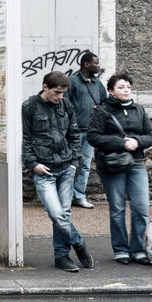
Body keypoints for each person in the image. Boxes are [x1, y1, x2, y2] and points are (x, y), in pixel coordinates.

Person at [22, 71, 93, 272]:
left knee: (64, 214)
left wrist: (74, 162)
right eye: (56, 92)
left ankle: (62, 256)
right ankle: (78, 243)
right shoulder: (29, 106)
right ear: (45, 87)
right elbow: (25, 138)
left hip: (66, 167)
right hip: (44, 170)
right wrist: (33, 164)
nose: (60, 96)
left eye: (63, 93)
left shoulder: (66, 105)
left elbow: (74, 135)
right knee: (57, 214)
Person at [87, 72, 152, 265]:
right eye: (121, 87)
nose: (126, 90)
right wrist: (121, 143)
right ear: (111, 91)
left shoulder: (139, 109)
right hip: (113, 163)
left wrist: (137, 141)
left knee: (141, 208)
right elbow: (93, 136)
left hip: (136, 162)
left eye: (128, 87)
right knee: (117, 208)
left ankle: (138, 249)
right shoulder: (102, 111)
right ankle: (120, 250)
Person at [65, 51, 107, 210]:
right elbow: (64, 104)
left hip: (90, 132)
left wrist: (99, 109)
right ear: (86, 64)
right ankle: (66, 196)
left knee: (85, 165)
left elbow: (105, 103)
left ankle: (79, 196)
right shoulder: (72, 81)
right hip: (73, 132)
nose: (98, 66)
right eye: (95, 63)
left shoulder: (98, 83)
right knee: (69, 164)